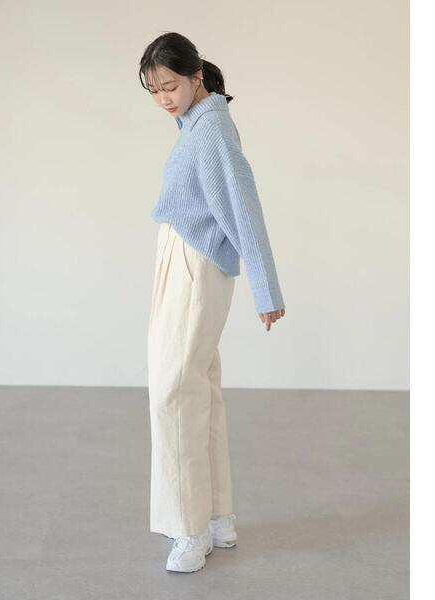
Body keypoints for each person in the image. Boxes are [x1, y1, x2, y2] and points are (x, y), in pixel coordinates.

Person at [139, 32, 286, 573]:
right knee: (197, 387)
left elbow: (244, 207)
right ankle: (217, 517)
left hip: (193, 263)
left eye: (170, 86)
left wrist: (266, 289)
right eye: (154, 90)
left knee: (174, 391)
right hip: (184, 258)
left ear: (196, 75)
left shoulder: (212, 130)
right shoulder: (198, 123)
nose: (164, 99)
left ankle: (189, 529)